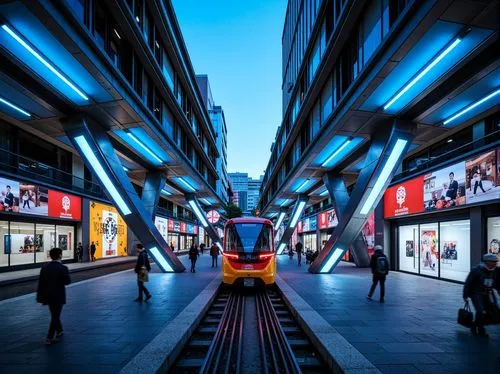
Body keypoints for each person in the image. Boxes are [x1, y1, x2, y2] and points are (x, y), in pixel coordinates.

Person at [36, 247, 71, 345]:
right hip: (58, 296)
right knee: (55, 316)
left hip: (47, 295)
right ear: (60, 255)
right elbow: (67, 281)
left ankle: (60, 330)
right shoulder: (63, 268)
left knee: (54, 314)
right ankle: (49, 337)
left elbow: (41, 283)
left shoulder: (44, 268)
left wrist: (40, 296)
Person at [463, 253, 500, 337]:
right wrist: (465, 295)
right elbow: (468, 283)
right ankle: (481, 330)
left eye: (495, 262)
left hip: (488, 293)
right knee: (480, 311)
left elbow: (497, 283)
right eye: (492, 261)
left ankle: (475, 325)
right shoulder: (476, 270)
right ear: (486, 261)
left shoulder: (494, 271)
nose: (494, 263)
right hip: (476, 294)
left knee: (489, 311)